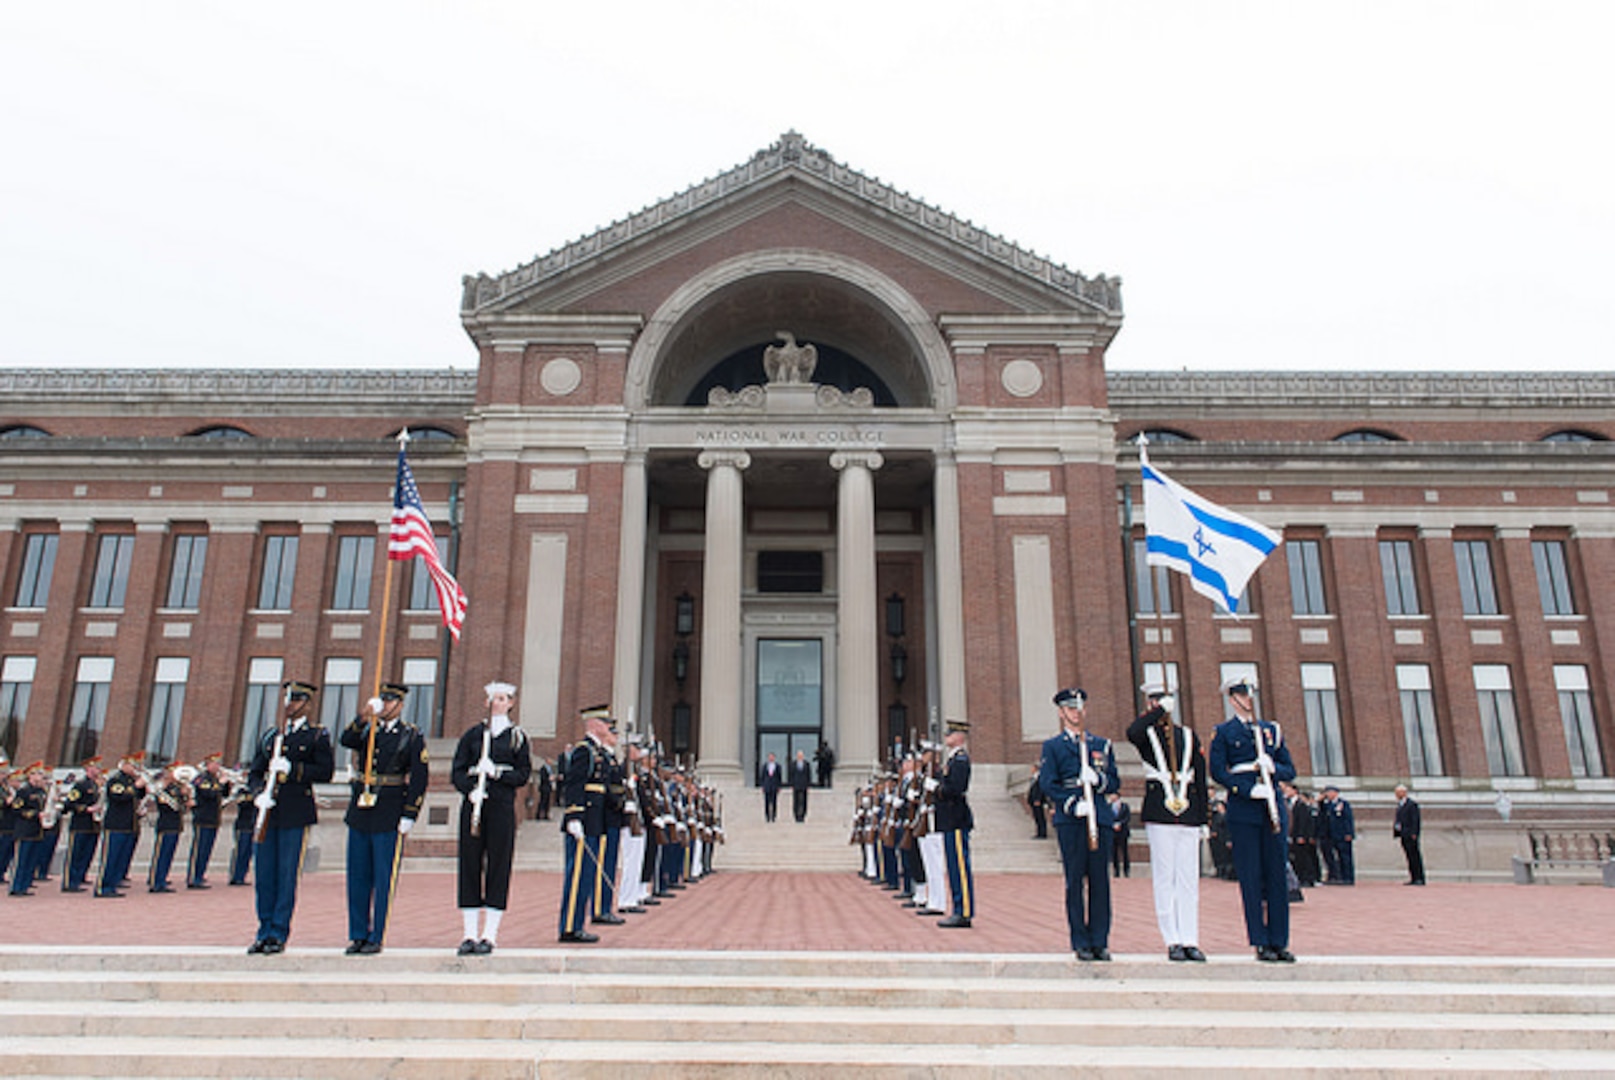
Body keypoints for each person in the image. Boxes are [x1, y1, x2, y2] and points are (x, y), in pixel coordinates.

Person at [1209, 674, 1297, 963]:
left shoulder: (1271, 730)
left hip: (1272, 806)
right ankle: (1260, 940)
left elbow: (1290, 769)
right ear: (1232, 699)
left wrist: (1273, 769)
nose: (1248, 699)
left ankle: (1279, 940)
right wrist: (1246, 788)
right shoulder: (1223, 732)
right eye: (1243, 695)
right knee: (1251, 876)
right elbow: (1218, 771)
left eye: (1250, 694)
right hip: (1245, 809)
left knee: (1277, 874)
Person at [340, 682, 430, 955]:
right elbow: (346, 740)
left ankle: (377, 934)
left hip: (389, 809)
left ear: (400, 705)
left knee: (383, 877)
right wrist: (363, 716)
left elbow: (418, 778)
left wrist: (410, 813)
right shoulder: (368, 730)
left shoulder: (410, 736)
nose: (386, 705)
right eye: (383, 700)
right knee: (357, 876)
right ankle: (357, 933)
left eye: (391, 701)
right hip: (361, 809)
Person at [247, 679, 335, 954]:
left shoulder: (316, 736)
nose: (290, 705)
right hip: (269, 812)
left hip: (295, 813)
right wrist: (258, 793)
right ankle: (263, 930)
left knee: (286, 875)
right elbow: (254, 772)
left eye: (296, 700)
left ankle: (278, 933)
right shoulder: (271, 736)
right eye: (288, 699)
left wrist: (293, 768)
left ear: (307, 704)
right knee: (264, 875)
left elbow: (325, 772)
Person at [1126, 682, 1209, 962]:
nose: (1160, 705)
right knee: (1165, 878)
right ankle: (1172, 938)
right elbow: (1131, 732)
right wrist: (1158, 711)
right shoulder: (1147, 735)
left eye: (1164, 700)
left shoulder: (1187, 735)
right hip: (1160, 812)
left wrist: (1203, 817)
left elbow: (1199, 777)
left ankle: (1190, 938)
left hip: (1188, 813)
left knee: (1188, 880)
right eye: (1154, 701)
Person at [451, 681, 532, 955]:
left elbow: (523, 775)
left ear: (511, 702)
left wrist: (498, 773)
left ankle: (490, 933)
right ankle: (469, 932)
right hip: (475, 804)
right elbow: (458, 770)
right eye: (493, 698)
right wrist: (469, 789)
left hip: (500, 806)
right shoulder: (473, 735)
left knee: (498, 864)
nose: (496, 703)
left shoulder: (517, 737)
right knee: (470, 864)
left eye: (502, 698)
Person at [1040, 688, 1120, 961]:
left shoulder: (1101, 745)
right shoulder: (1053, 746)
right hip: (1071, 819)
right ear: (1061, 713)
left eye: (1079, 708)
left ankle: (1100, 940)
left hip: (1099, 815)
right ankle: (1080, 941)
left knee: (1100, 882)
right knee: (1075, 881)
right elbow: (1048, 783)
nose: (1076, 712)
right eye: (1070, 708)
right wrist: (1071, 803)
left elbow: (1114, 781)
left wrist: (1099, 781)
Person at [557, 705, 612, 943]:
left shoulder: (597, 751)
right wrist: (574, 816)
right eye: (604, 722)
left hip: (595, 821)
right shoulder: (584, 751)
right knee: (577, 875)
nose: (608, 727)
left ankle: (577, 924)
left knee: (587, 876)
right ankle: (569, 926)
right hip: (584, 819)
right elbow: (574, 784)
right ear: (593, 724)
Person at [934, 719, 975, 928]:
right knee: (953, 867)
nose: (946, 737)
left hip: (956, 818)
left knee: (959, 867)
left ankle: (964, 911)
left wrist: (937, 788)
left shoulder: (960, 760)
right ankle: (959, 909)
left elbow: (955, 788)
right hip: (950, 820)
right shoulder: (952, 760)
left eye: (950, 734)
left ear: (959, 737)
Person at [95, 751, 149, 899]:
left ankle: (112, 885)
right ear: (124, 765)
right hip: (115, 824)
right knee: (110, 858)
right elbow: (119, 796)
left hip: (128, 824)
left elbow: (139, 796)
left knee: (119, 858)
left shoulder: (131, 780)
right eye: (132, 765)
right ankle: (102, 887)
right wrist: (136, 786)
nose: (134, 768)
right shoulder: (116, 780)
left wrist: (142, 786)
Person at [61, 755, 104, 893]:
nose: (99, 770)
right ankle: (69, 882)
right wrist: (86, 809)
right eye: (96, 767)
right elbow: (69, 804)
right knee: (75, 854)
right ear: (88, 769)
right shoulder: (80, 785)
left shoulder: (96, 786)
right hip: (80, 824)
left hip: (93, 825)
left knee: (87, 853)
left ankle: (79, 877)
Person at [145, 763, 190, 893]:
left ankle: (162, 879)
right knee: (161, 854)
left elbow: (182, 808)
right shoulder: (163, 788)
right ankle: (155, 881)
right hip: (165, 824)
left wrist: (186, 795)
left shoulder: (177, 788)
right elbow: (166, 806)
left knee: (168, 855)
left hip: (175, 824)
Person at [7, 761, 50, 896]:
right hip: (25, 829)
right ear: (31, 776)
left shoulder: (41, 791)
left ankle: (24, 885)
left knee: (31, 860)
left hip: (37, 830)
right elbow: (16, 809)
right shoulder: (24, 791)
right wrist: (36, 814)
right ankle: (16, 886)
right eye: (38, 774)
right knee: (21, 859)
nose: (41, 776)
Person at [186, 754, 227, 889]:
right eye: (214, 764)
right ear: (208, 765)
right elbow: (208, 794)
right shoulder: (201, 778)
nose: (217, 766)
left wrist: (227, 784)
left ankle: (200, 874)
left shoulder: (214, 779)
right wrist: (220, 783)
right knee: (199, 849)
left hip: (213, 818)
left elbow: (223, 794)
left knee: (207, 850)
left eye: (218, 764)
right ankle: (193, 877)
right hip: (202, 818)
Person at [1321, 785, 1355, 885]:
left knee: (1345, 857)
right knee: (1335, 856)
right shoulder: (1327, 805)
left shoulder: (1343, 804)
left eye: (1329, 792)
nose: (1328, 795)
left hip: (1342, 834)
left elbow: (1348, 819)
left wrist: (1349, 833)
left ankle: (1348, 877)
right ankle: (1339, 876)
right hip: (1331, 835)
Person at [1394, 784, 1425, 885]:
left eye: (1398, 792)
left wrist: (1414, 833)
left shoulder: (1412, 805)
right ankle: (1413, 877)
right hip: (1403, 834)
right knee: (1409, 857)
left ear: (1404, 793)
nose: (1396, 795)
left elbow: (1415, 820)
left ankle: (1419, 878)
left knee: (1415, 856)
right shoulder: (1400, 805)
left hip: (1410, 834)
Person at [1109, 792, 1132, 878]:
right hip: (1113, 833)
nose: (1111, 797)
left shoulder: (1124, 806)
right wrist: (1113, 824)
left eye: (1113, 795)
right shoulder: (1108, 806)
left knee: (1124, 852)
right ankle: (1116, 870)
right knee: (1114, 853)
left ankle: (1126, 870)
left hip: (1123, 832)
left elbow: (1127, 817)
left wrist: (1120, 824)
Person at [789, 749, 812, 822]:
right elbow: (791, 775)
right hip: (796, 785)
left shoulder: (806, 764)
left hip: (804, 785)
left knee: (804, 801)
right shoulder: (793, 764)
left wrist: (808, 785)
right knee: (796, 801)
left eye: (801, 755)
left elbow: (808, 775)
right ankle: (796, 815)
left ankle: (803, 815)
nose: (800, 757)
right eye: (799, 755)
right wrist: (791, 784)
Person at [759, 752, 782, 823]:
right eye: (770, 757)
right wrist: (762, 786)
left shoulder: (778, 766)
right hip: (767, 786)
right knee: (767, 802)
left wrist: (779, 786)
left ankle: (774, 816)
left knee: (774, 802)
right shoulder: (765, 766)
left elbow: (779, 777)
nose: (771, 758)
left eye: (772, 757)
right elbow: (762, 777)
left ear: (774, 758)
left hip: (774, 786)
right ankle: (767, 816)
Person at [1026, 765, 1047, 839]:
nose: (1031, 769)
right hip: (1033, 800)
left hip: (1037, 801)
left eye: (1032, 768)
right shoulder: (1033, 777)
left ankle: (1042, 833)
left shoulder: (1040, 777)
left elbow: (1040, 789)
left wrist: (1038, 799)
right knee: (1036, 817)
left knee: (1040, 817)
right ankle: (1039, 832)